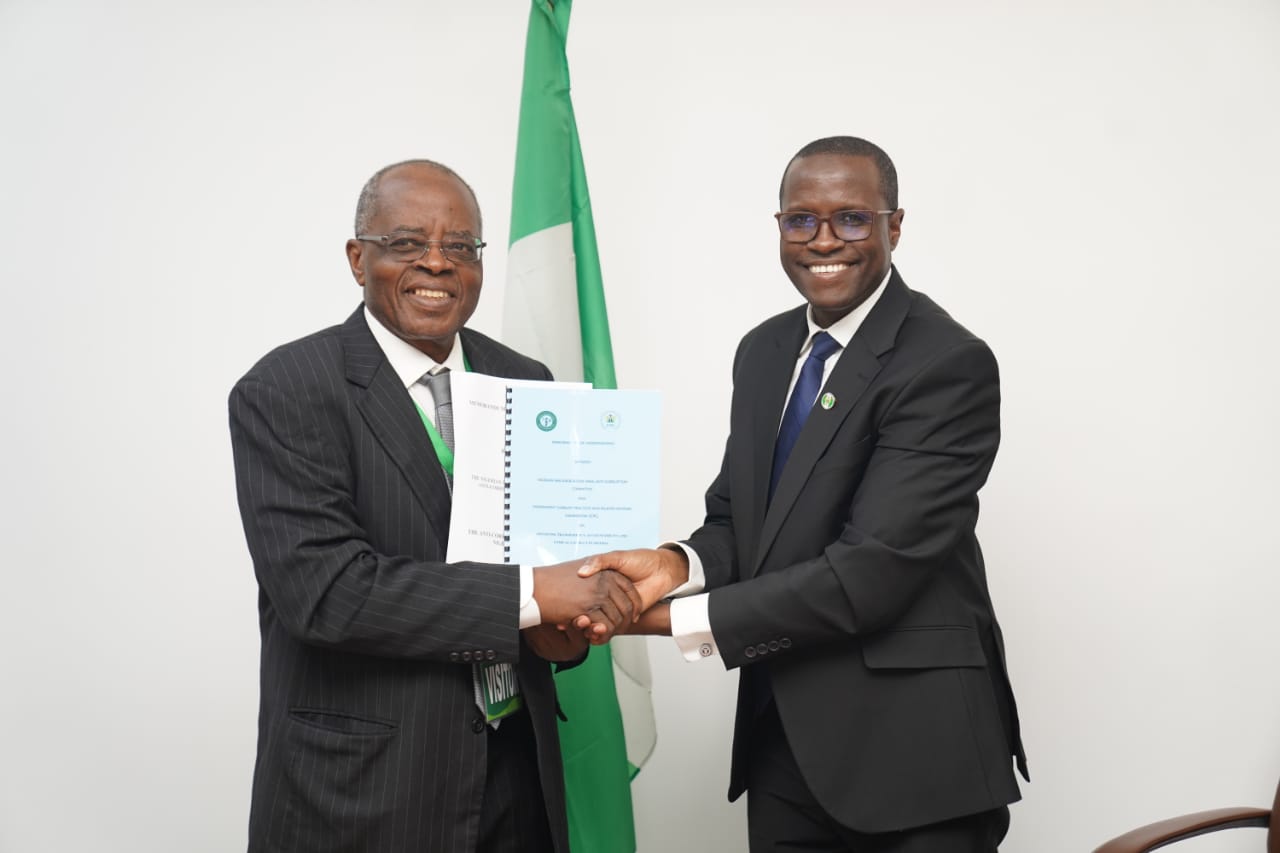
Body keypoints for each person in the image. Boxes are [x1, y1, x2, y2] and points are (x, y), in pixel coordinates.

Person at [579, 137, 1029, 852]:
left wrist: (658, 620)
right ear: (780, 226)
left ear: (895, 226)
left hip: (917, 758)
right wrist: (670, 566)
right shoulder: (763, 350)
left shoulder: (946, 363)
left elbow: (869, 572)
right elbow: (740, 519)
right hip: (783, 746)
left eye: (851, 218)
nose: (823, 241)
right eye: (801, 220)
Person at [228, 159, 639, 853]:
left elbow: (552, 565)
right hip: (365, 791)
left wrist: (566, 628)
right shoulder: (288, 388)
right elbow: (327, 593)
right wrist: (536, 593)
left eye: (460, 246)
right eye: (407, 243)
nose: (438, 263)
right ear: (358, 258)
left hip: (516, 778)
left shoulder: (526, 381)